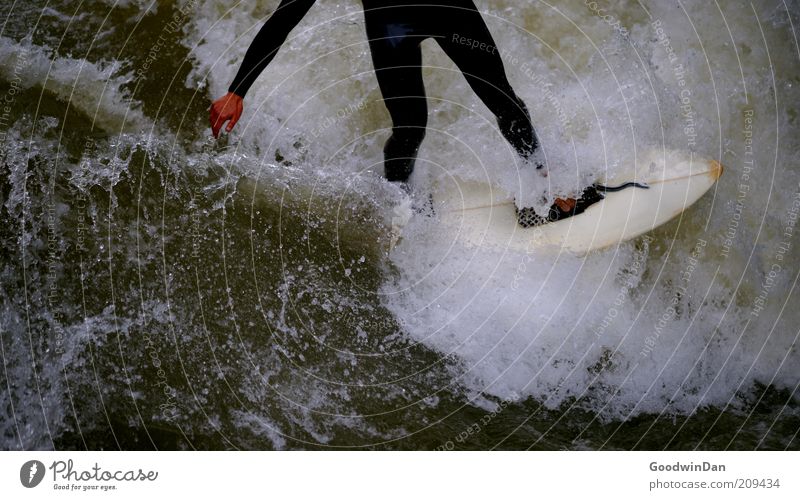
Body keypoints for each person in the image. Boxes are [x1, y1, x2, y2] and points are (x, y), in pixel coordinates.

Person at [210, 0, 580, 217]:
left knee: (502, 98)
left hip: (446, 7)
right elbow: (286, 15)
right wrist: (238, 90)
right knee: (410, 125)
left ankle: (546, 183)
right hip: (392, 25)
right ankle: (400, 209)